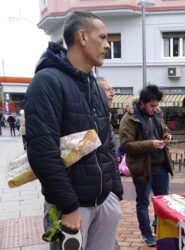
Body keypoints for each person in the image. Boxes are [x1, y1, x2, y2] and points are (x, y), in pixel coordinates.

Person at [25, 11, 123, 250]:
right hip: (71, 208)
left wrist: (115, 191)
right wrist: (68, 206)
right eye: (102, 37)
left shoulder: (96, 87)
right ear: (82, 36)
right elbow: (42, 152)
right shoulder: (47, 82)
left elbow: (107, 141)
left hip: (104, 200)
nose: (108, 45)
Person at [119, 84, 173, 247]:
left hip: (161, 165)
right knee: (143, 203)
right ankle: (146, 234)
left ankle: (159, 228)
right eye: (152, 105)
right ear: (142, 103)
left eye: (157, 105)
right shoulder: (129, 118)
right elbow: (126, 146)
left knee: (163, 202)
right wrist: (151, 144)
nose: (155, 109)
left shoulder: (157, 113)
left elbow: (163, 129)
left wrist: (167, 135)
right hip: (142, 168)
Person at [96, 76, 122, 250]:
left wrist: (116, 190)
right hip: (92, 193)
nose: (112, 93)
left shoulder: (106, 116)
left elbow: (111, 152)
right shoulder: (93, 116)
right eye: (107, 90)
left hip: (107, 190)